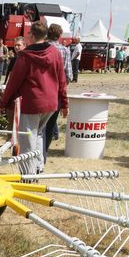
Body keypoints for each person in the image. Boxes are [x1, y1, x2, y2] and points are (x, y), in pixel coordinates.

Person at [0, 21, 68, 175]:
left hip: (32, 104)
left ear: (31, 35)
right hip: (51, 104)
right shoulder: (55, 53)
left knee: (27, 141)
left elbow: (13, 81)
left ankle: (28, 176)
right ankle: (38, 167)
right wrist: (64, 103)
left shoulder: (25, 56)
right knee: (38, 135)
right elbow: (62, 80)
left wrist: (3, 102)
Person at [45, 23, 73, 159]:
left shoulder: (42, 48)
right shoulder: (64, 50)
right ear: (60, 35)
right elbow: (68, 75)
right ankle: (44, 151)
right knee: (50, 124)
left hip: (41, 90)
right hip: (56, 92)